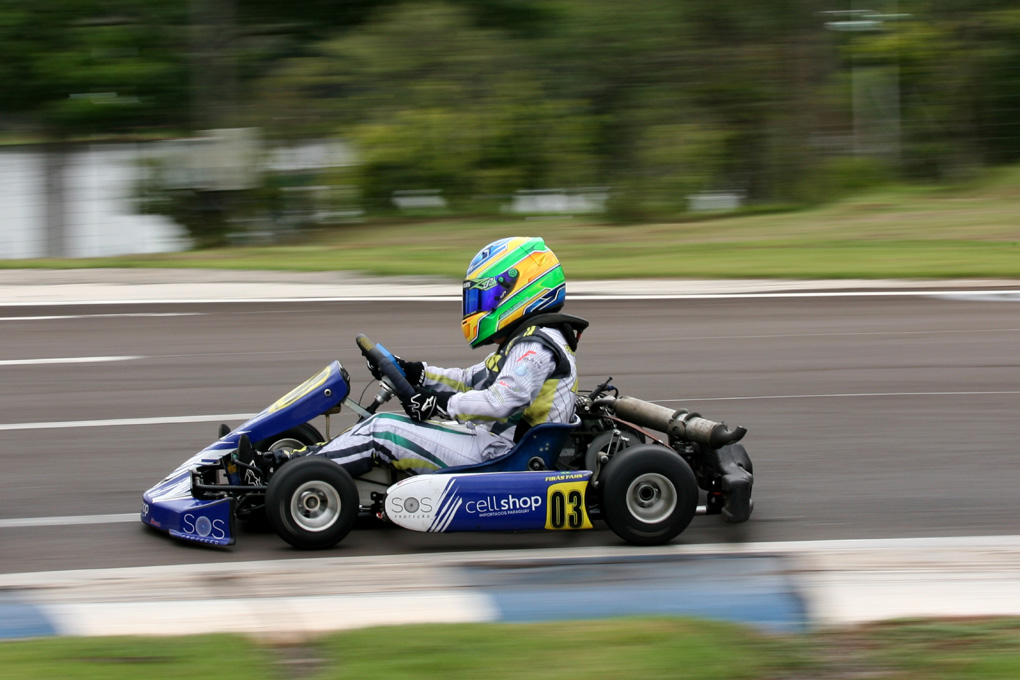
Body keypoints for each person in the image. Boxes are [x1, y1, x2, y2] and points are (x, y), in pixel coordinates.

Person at [248, 236, 587, 481]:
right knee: (379, 424)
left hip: (504, 456)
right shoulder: (525, 342)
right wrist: (417, 375)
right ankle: (297, 461)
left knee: (381, 430)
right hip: (491, 442)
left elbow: (501, 402)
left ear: (521, 290)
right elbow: (471, 381)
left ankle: (291, 473)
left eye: (488, 295)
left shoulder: (534, 346)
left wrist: (438, 404)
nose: (481, 305)